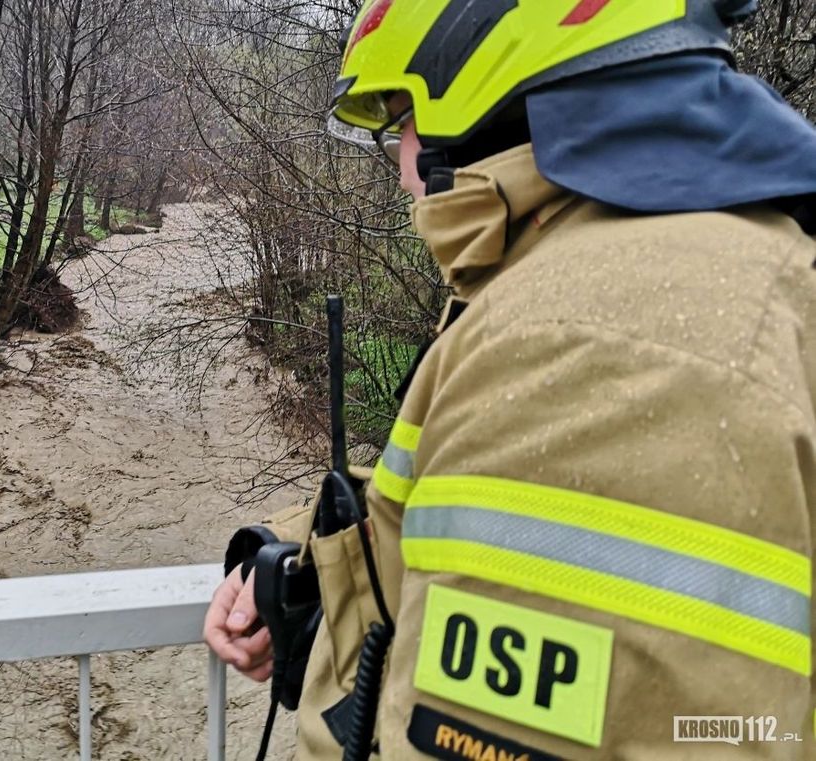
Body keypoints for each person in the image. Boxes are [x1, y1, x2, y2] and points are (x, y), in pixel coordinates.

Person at [205, 1, 816, 758]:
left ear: (481, 86)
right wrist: (303, 560)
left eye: (399, 118)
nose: (398, 165)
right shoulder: (683, 270)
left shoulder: (588, 339)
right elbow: (492, 504)